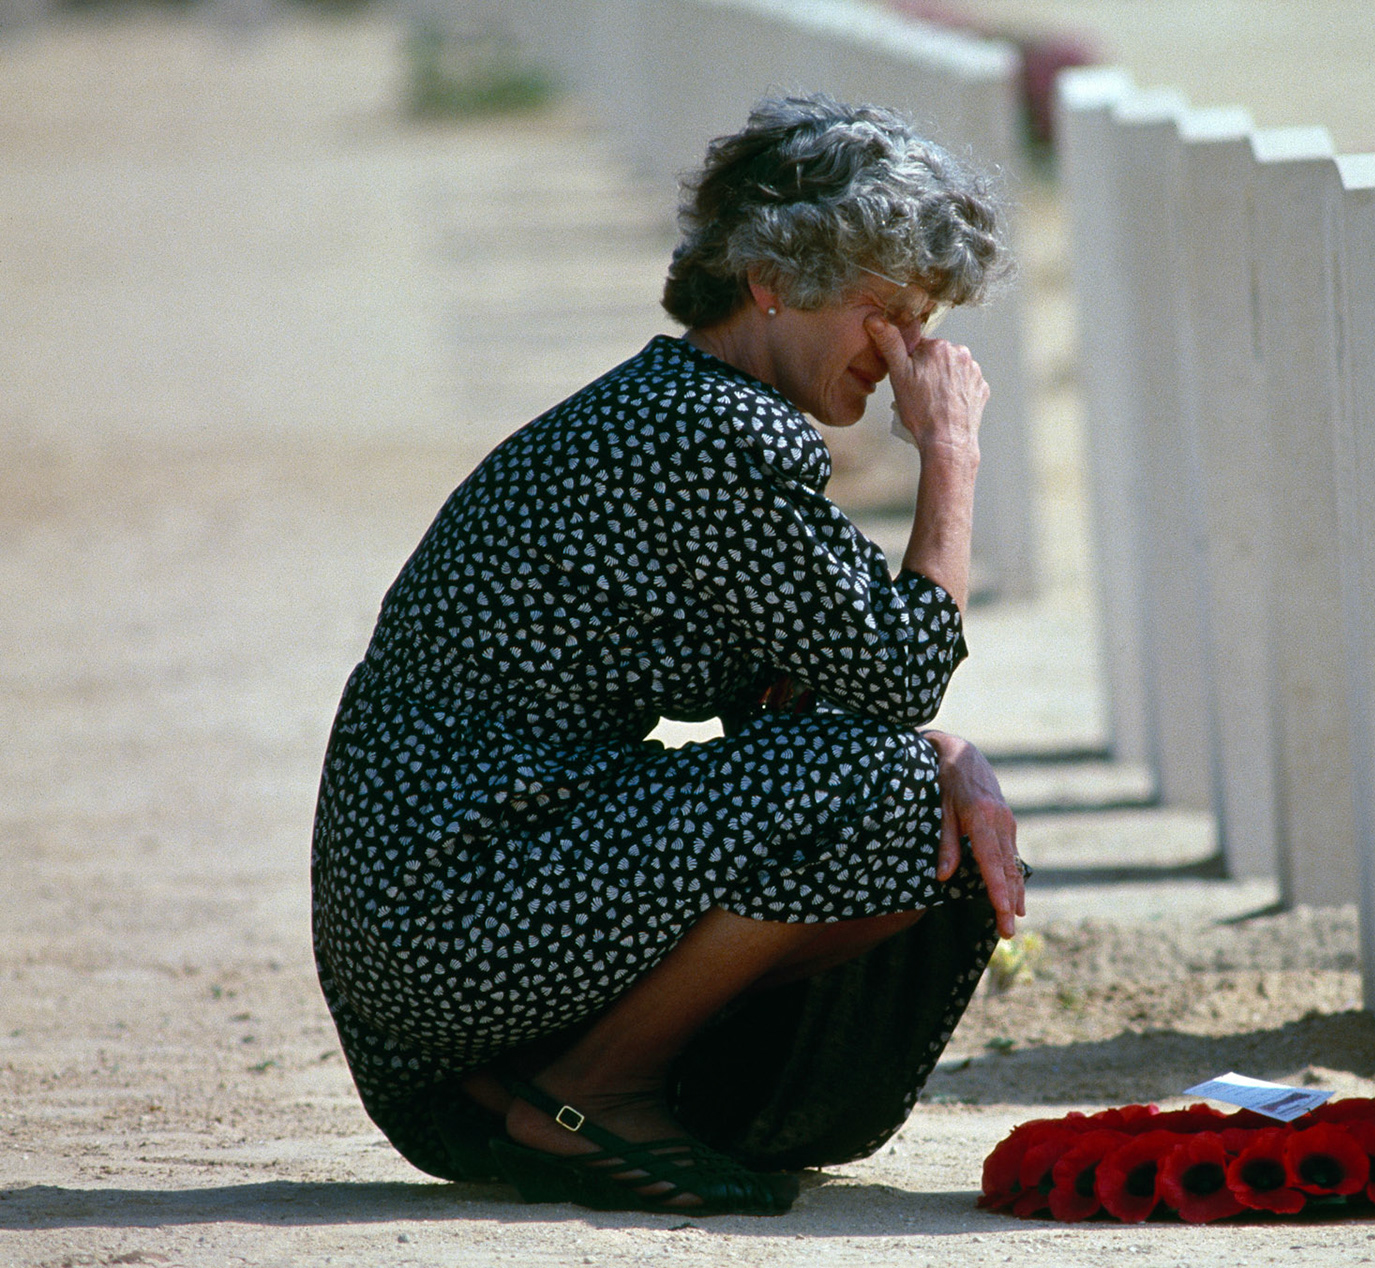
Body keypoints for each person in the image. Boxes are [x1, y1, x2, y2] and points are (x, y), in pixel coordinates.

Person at [310, 95, 1026, 1216]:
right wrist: (955, 451)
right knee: (882, 791)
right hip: (453, 915)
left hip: (432, 952)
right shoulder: (711, 432)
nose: (904, 358)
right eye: (884, 313)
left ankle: (565, 1080)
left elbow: (816, 692)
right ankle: (594, 1092)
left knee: (899, 789)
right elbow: (896, 677)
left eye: (923, 323)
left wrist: (952, 754)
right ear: (773, 279)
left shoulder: (679, 410)